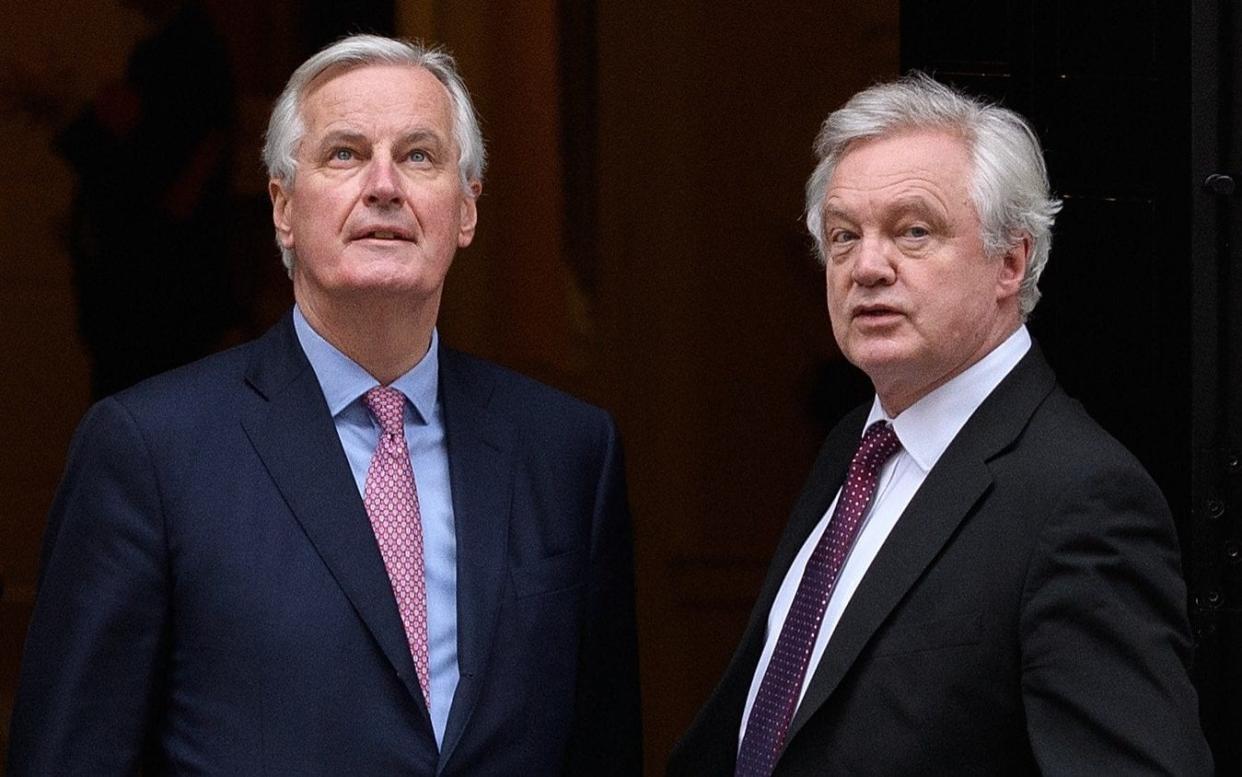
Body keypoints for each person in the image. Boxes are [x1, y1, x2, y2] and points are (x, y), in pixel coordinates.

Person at [8, 34, 641, 776]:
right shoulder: (150, 449)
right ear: (283, 207)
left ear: (466, 210)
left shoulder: (568, 451)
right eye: (344, 153)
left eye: (419, 156)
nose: (383, 186)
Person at [668, 74, 1212, 776]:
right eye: (843, 235)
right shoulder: (856, 447)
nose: (867, 266)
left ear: (1010, 261)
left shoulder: (1080, 499)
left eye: (913, 231)